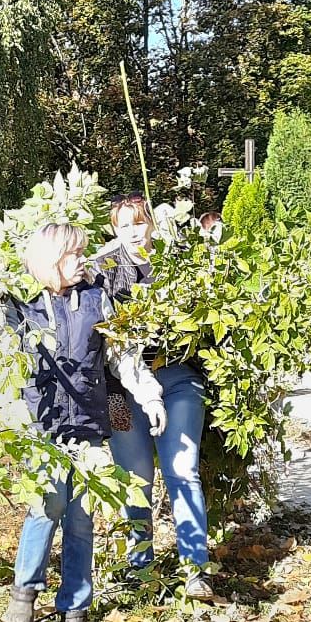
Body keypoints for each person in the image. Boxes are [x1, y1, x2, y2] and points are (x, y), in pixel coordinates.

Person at [1, 223, 167, 622]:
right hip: (44, 426)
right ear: (51, 259)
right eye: (74, 254)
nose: (83, 261)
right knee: (47, 504)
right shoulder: (21, 308)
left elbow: (122, 357)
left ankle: (75, 612)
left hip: (89, 427)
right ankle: (25, 593)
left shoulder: (96, 300)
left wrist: (150, 397)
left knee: (81, 518)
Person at [98, 194, 214, 600]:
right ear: (114, 227)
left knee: (182, 470)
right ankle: (139, 566)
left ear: (150, 223)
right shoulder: (103, 270)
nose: (133, 232)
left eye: (139, 222)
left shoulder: (175, 261)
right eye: (123, 224)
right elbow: (107, 344)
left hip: (179, 377)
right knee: (135, 479)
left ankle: (195, 568)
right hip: (120, 391)